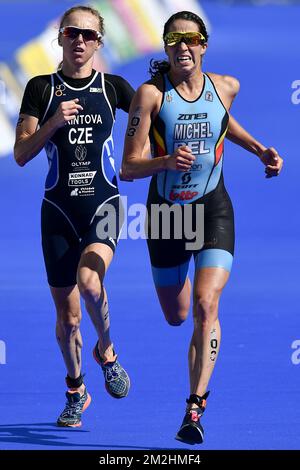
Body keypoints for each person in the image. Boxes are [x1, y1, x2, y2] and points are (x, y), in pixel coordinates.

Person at [122, 11, 283, 445]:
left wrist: (258, 150)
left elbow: (221, 120)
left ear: (204, 44)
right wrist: (165, 161)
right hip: (167, 215)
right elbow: (128, 167)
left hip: (213, 209)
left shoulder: (225, 86)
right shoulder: (151, 96)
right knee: (176, 316)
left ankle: (194, 407)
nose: (183, 46)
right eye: (174, 39)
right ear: (166, 46)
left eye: (190, 39)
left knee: (205, 304)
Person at [14, 5, 134, 428]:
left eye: (88, 34)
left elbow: (154, 121)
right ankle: (76, 389)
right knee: (66, 318)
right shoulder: (40, 89)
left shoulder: (114, 88)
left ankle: (107, 349)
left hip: (103, 205)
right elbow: (21, 155)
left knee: (90, 282)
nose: (79, 41)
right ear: (60, 37)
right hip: (57, 212)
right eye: (72, 33)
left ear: (99, 42)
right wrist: (52, 122)